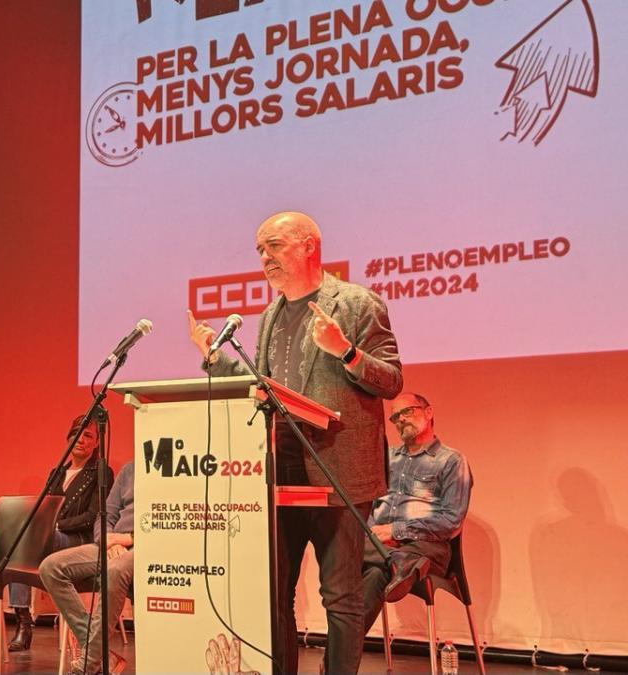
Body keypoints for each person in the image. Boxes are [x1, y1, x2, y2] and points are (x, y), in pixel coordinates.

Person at [187, 211, 403, 674]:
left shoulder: (357, 303)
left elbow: (391, 380)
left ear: (309, 246)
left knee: (341, 595)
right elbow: (263, 386)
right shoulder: (268, 315)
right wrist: (216, 361)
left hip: (337, 469)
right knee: (276, 592)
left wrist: (345, 350)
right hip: (278, 471)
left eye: (274, 246)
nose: (264, 257)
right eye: (259, 250)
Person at [0, 415, 113, 651]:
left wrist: (55, 526)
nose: (80, 439)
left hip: (76, 540)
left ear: (96, 443)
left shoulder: (100, 471)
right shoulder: (57, 472)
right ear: (68, 437)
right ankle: (20, 620)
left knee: (17, 546)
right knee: (19, 548)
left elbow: (93, 516)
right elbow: (43, 510)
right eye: (77, 433)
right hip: (47, 541)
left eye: (88, 436)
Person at [361, 392, 472, 631]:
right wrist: (373, 533)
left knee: (362, 560)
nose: (400, 420)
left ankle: (401, 560)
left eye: (406, 412)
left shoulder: (451, 460)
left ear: (429, 412)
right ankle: (399, 563)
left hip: (426, 548)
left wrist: (397, 531)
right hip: (381, 546)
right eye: (395, 418)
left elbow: (451, 521)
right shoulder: (386, 458)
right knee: (367, 569)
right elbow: (367, 505)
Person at [40, 460, 135, 675]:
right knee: (51, 567)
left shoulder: (172, 473)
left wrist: (128, 539)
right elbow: (105, 514)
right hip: (110, 544)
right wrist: (107, 540)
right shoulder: (129, 470)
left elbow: (169, 521)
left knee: (114, 571)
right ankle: (104, 656)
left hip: (142, 546)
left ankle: (88, 664)